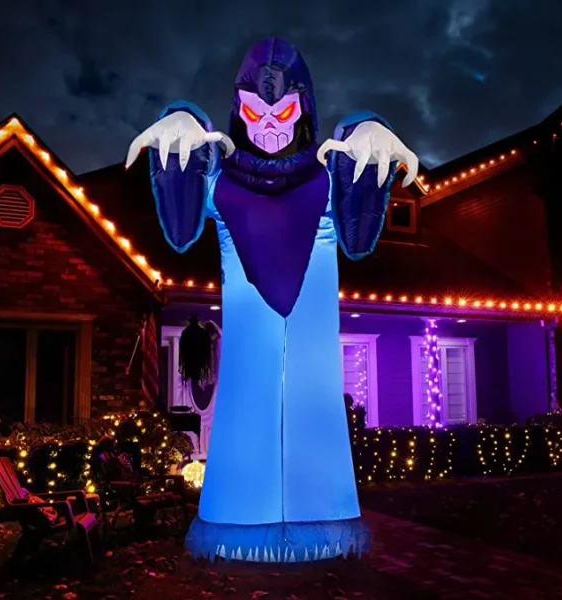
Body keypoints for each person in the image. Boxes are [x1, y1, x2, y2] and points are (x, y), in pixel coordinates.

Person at [126, 37, 418, 562]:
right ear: (237, 108)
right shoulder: (223, 185)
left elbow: (358, 233)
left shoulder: (327, 181)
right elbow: (181, 225)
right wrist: (181, 119)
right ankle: (240, 520)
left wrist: (365, 127)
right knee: (246, 418)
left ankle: (322, 517)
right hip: (248, 346)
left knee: (313, 417)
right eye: (254, 109)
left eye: (281, 110)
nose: (267, 123)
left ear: (303, 106)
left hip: (312, 353)